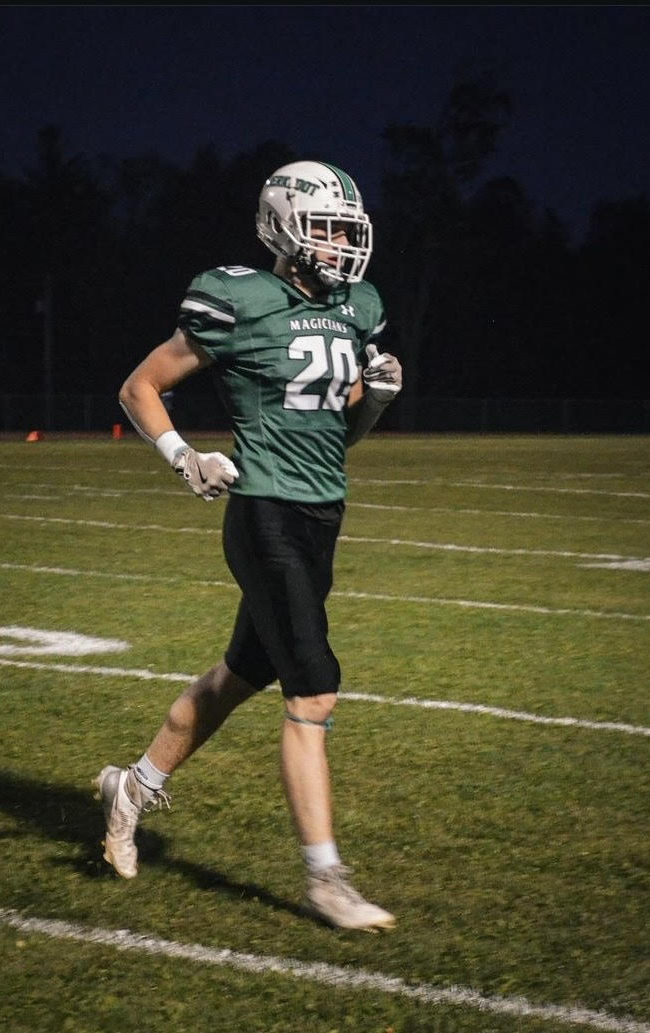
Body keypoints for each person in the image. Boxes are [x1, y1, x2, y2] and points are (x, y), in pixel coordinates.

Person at [95, 161, 403, 931]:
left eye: (345, 229)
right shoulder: (240, 298)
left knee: (241, 673)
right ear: (282, 225)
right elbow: (140, 386)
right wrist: (185, 456)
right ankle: (325, 877)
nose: (339, 244)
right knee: (314, 690)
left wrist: (378, 402)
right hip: (263, 512)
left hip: (322, 512)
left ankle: (131, 786)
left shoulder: (355, 306)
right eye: (326, 227)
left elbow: (341, 432)